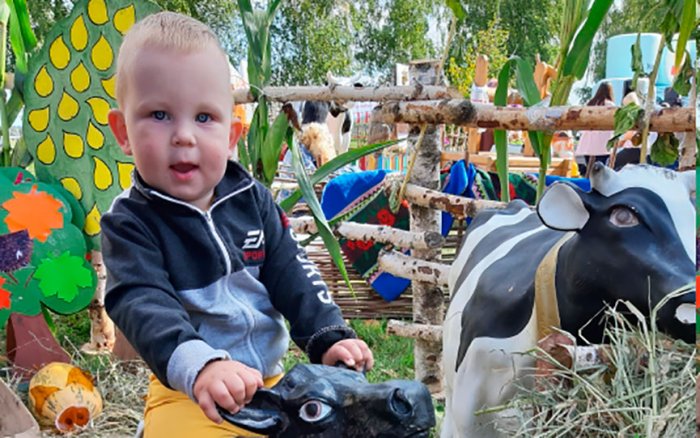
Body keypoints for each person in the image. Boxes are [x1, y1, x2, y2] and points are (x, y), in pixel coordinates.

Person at [101, 12, 373, 437]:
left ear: (231, 135)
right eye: (159, 114)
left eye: (204, 117)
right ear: (123, 131)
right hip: (187, 391)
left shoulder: (253, 200)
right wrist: (202, 365)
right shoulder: (130, 222)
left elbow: (293, 273)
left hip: (270, 384)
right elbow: (142, 303)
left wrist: (328, 335)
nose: (184, 136)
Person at [574, 82, 615, 176]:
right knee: (601, 173)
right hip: (603, 145)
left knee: (590, 171)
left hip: (588, 145)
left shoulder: (590, 104)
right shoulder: (611, 105)